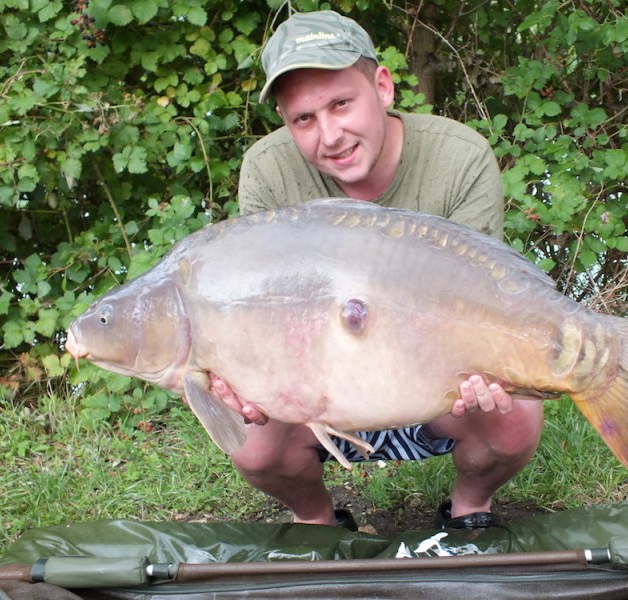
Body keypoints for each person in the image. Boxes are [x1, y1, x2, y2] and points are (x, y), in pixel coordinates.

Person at [210, 10, 544, 530]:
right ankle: (318, 523)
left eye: (341, 104)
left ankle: (469, 509)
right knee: (252, 446)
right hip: (317, 384)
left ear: (382, 87)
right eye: (303, 119)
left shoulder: (459, 158)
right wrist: (245, 378)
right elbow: (268, 311)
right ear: (285, 122)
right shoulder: (267, 172)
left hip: (432, 378)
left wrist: (488, 363)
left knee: (515, 416)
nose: (330, 135)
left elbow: (485, 297)